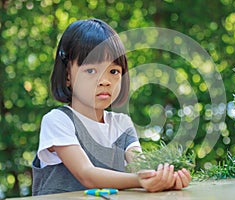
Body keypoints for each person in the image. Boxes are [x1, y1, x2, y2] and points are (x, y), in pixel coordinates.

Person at [32, 18, 191, 196]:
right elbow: (87, 174)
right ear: (68, 75)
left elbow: (139, 165)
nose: (105, 81)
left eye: (114, 71)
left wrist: (165, 177)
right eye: (91, 71)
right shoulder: (57, 120)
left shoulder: (122, 124)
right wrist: (140, 180)